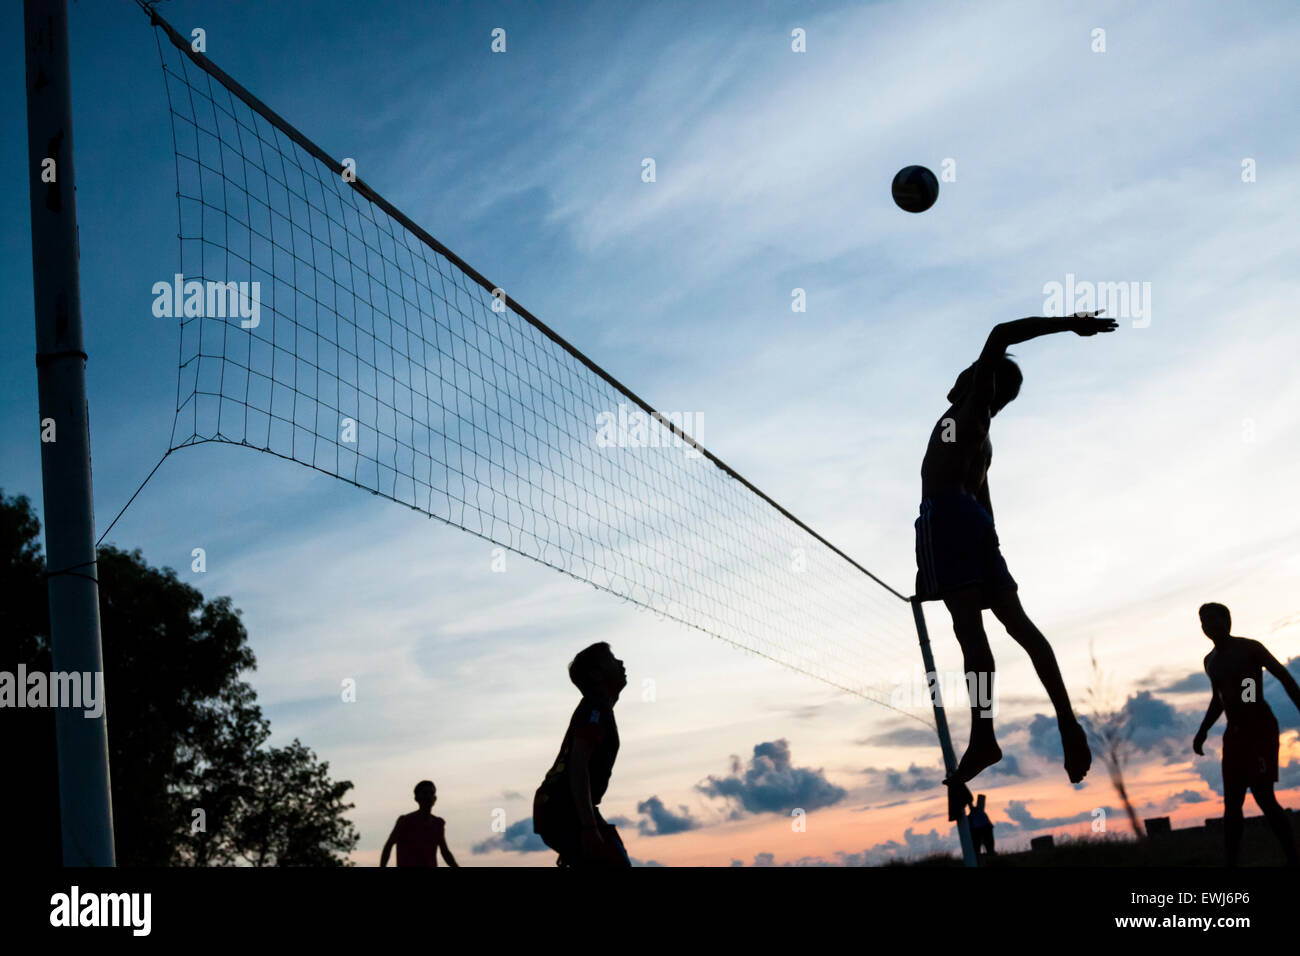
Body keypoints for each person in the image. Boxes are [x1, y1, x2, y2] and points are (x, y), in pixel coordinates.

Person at [915, 311, 1115, 804]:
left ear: (984, 381)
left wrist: (1072, 323)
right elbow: (985, 507)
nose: (961, 374)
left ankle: (984, 735)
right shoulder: (979, 438)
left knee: (971, 637)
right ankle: (1068, 723)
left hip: (948, 520)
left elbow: (1001, 333)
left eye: (972, 369)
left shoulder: (973, 405)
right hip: (976, 527)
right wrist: (981, 552)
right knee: (1021, 628)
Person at [1192, 602, 1300, 866]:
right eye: (1204, 621)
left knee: (1264, 796)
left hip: (1259, 728)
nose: (1209, 625)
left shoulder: (1249, 648)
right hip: (1234, 734)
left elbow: (1283, 676)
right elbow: (1218, 699)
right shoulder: (1210, 661)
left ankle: (1293, 858)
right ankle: (1231, 864)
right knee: (1232, 802)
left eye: (1213, 619)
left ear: (1227, 621)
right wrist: (1203, 730)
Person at [533, 642, 631, 867]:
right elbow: (578, 766)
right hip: (561, 809)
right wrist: (587, 828)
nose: (620, 662)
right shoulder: (595, 707)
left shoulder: (598, 706)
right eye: (612, 658)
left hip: (561, 809)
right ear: (597, 675)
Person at [380, 780, 459, 867]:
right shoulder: (405, 821)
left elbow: (445, 852)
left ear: (435, 798)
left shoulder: (438, 824)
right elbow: (388, 846)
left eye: (431, 793)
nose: (428, 796)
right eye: (425, 793)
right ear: (417, 798)